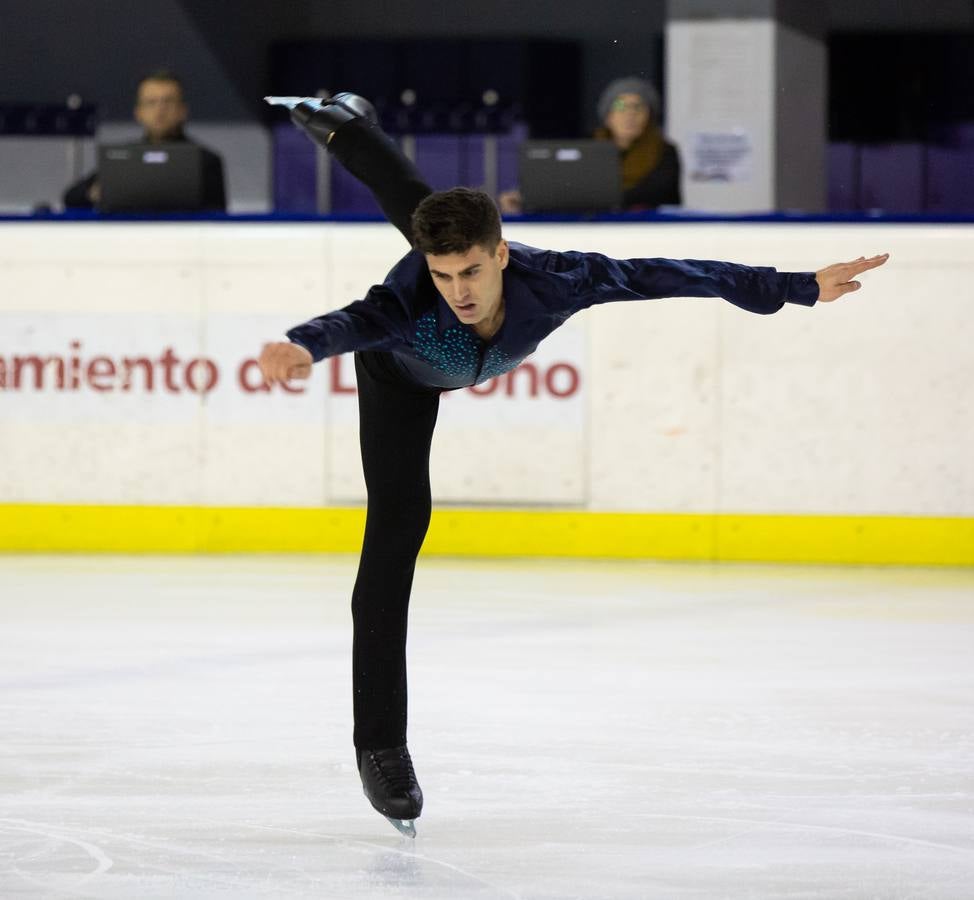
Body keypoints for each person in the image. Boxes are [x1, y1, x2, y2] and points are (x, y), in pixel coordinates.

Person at [257, 93, 888, 836]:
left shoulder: (554, 277)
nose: (458, 291)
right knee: (395, 542)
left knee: (425, 205)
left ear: (501, 254)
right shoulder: (411, 299)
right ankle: (381, 747)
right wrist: (302, 344)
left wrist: (794, 288)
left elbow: (668, 271)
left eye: (469, 271)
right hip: (402, 381)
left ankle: (342, 122)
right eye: (443, 274)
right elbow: (353, 322)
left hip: (475, 297)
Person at [499, 76, 681, 214]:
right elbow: (562, 184)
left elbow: (653, 192)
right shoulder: (586, 148)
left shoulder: (664, 151)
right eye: (620, 106)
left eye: (638, 107)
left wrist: (589, 198)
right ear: (608, 115)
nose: (630, 115)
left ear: (649, 115)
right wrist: (526, 199)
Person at [63, 69, 226, 211]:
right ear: (138, 113)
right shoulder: (124, 158)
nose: (160, 110)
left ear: (182, 111)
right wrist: (95, 193)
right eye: (151, 103)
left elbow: (217, 218)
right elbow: (71, 197)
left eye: (168, 102)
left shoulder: (205, 161)